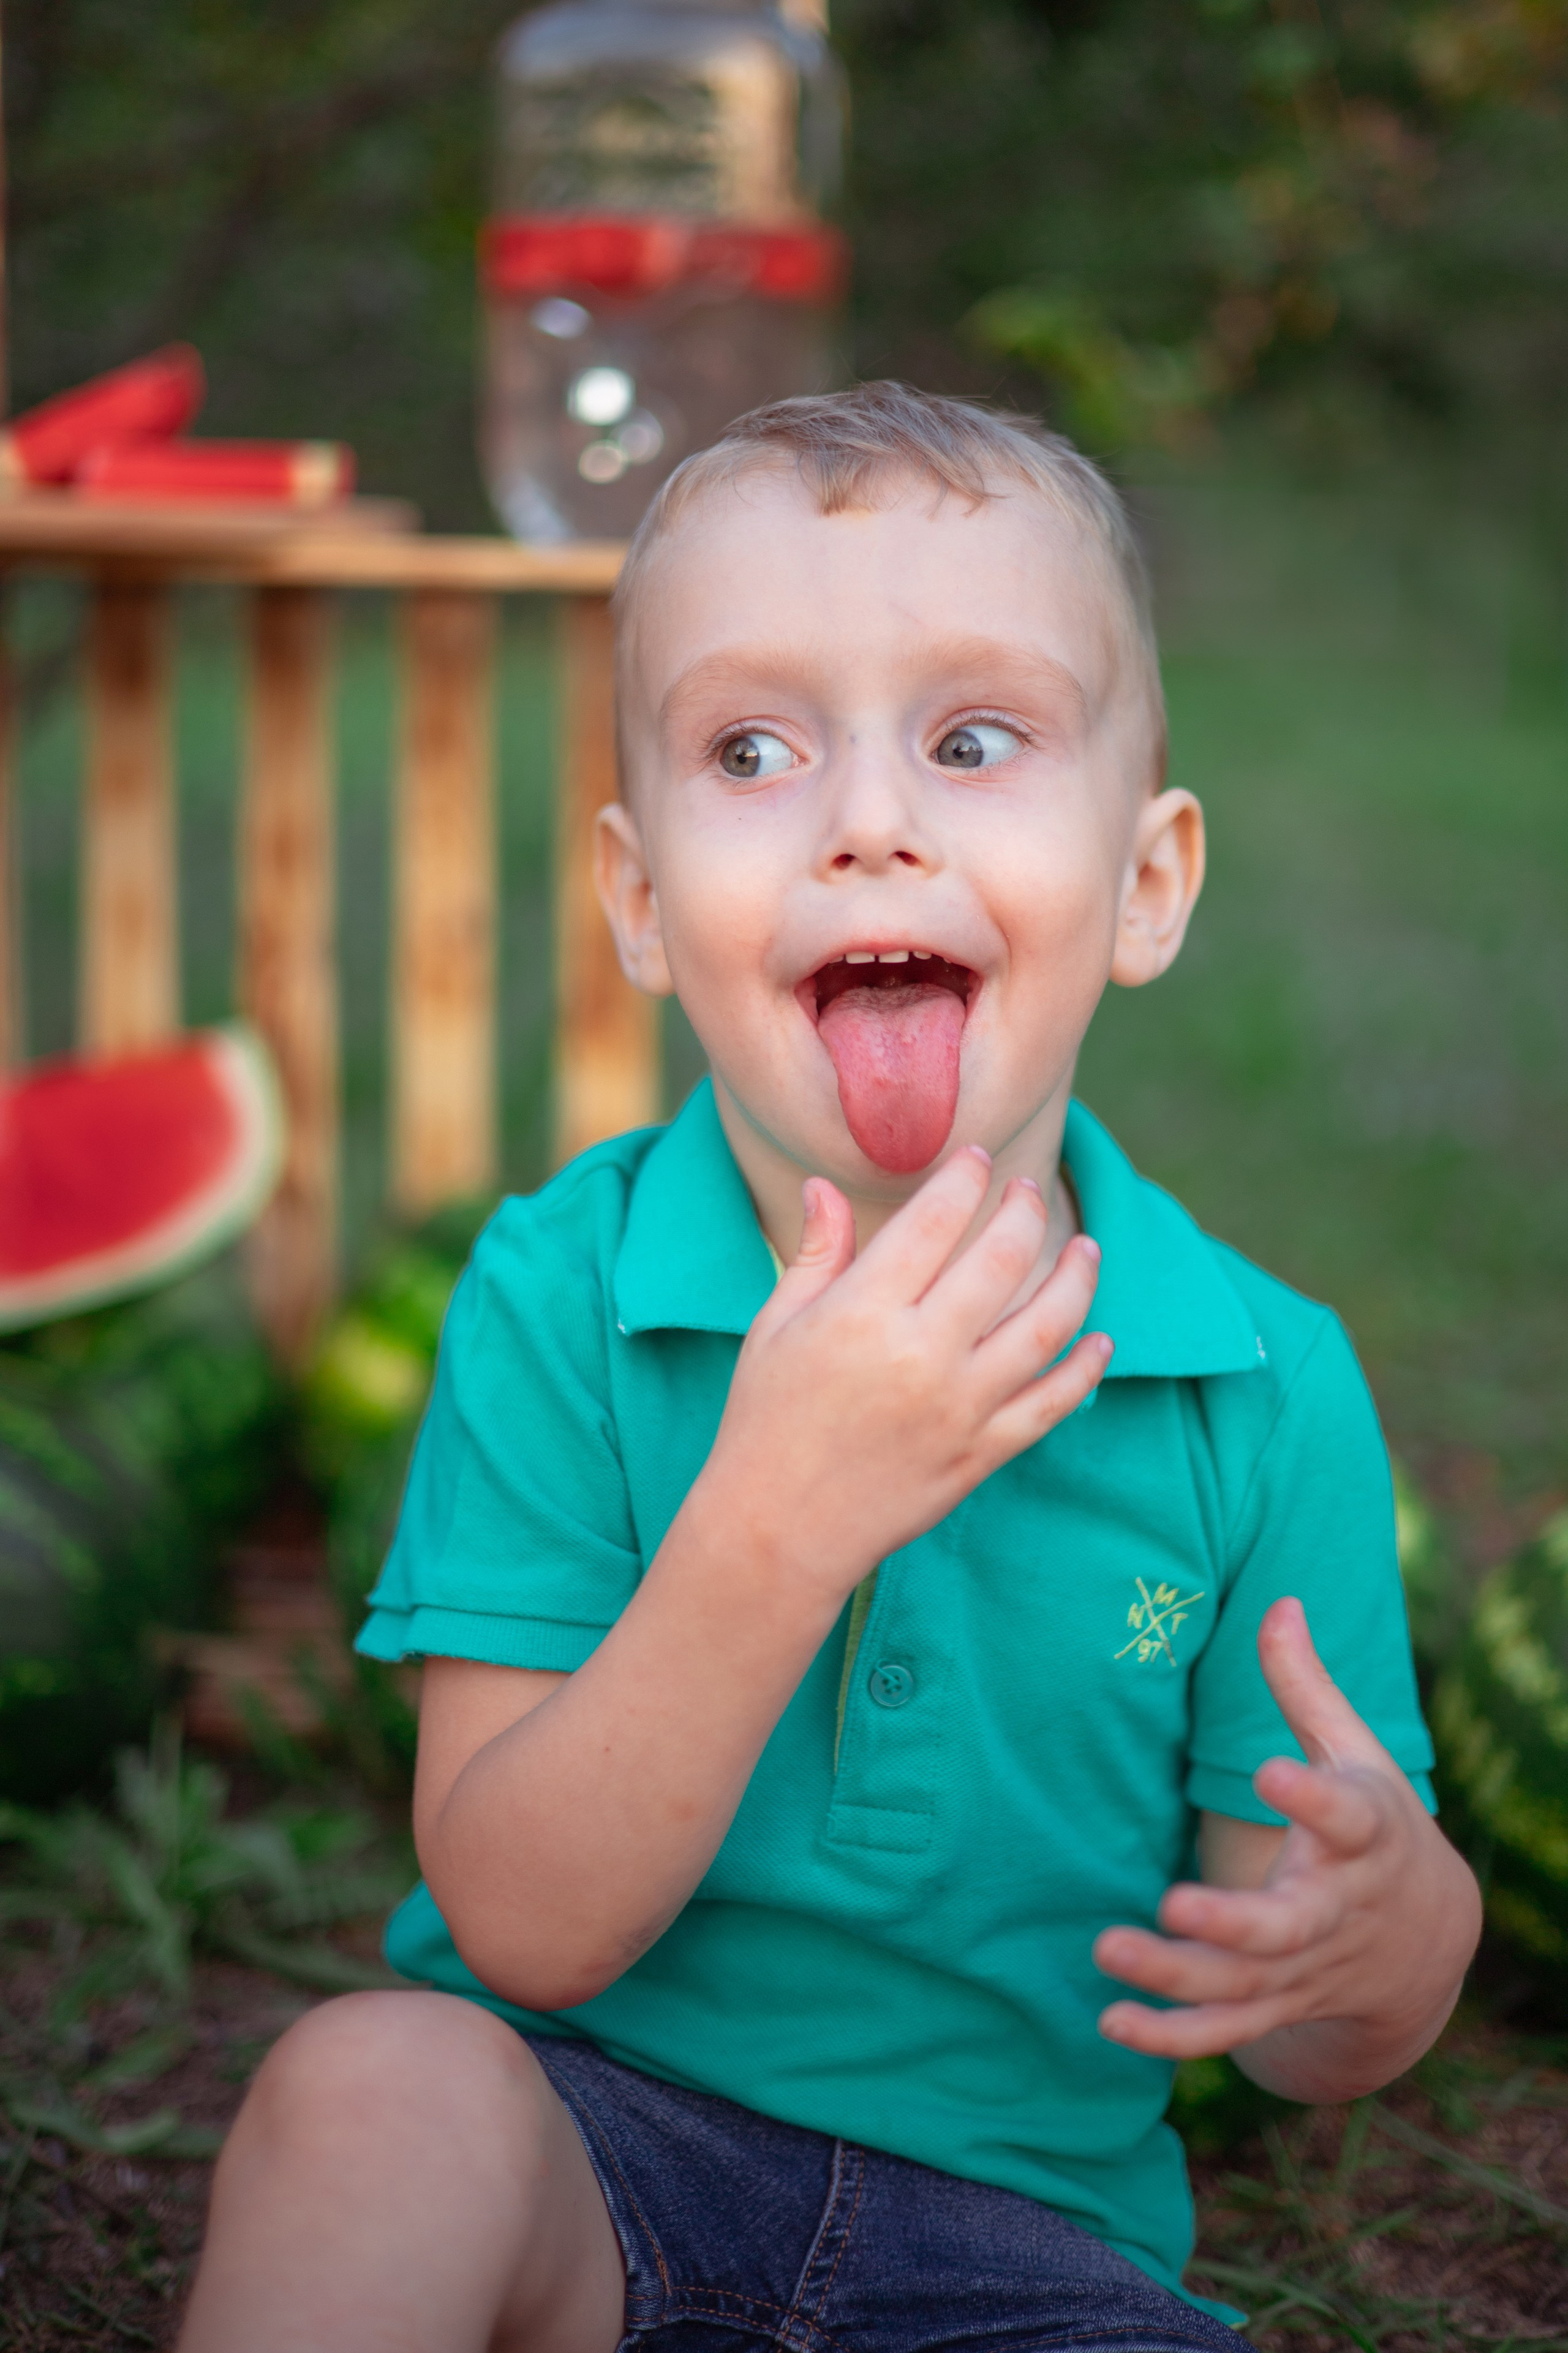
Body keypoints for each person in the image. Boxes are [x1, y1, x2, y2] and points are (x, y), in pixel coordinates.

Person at [178, 384, 1481, 2353]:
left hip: (1033, 2256)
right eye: (755, 748)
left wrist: (1385, 1942)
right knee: (371, 2089)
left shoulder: (1262, 1382)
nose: (870, 819)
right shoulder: (558, 1293)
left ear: (1146, 883)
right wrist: (774, 1520)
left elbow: (1302, 2025)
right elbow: (522, 1916)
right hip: (587, 2156)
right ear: (639, 899)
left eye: (973, 737)